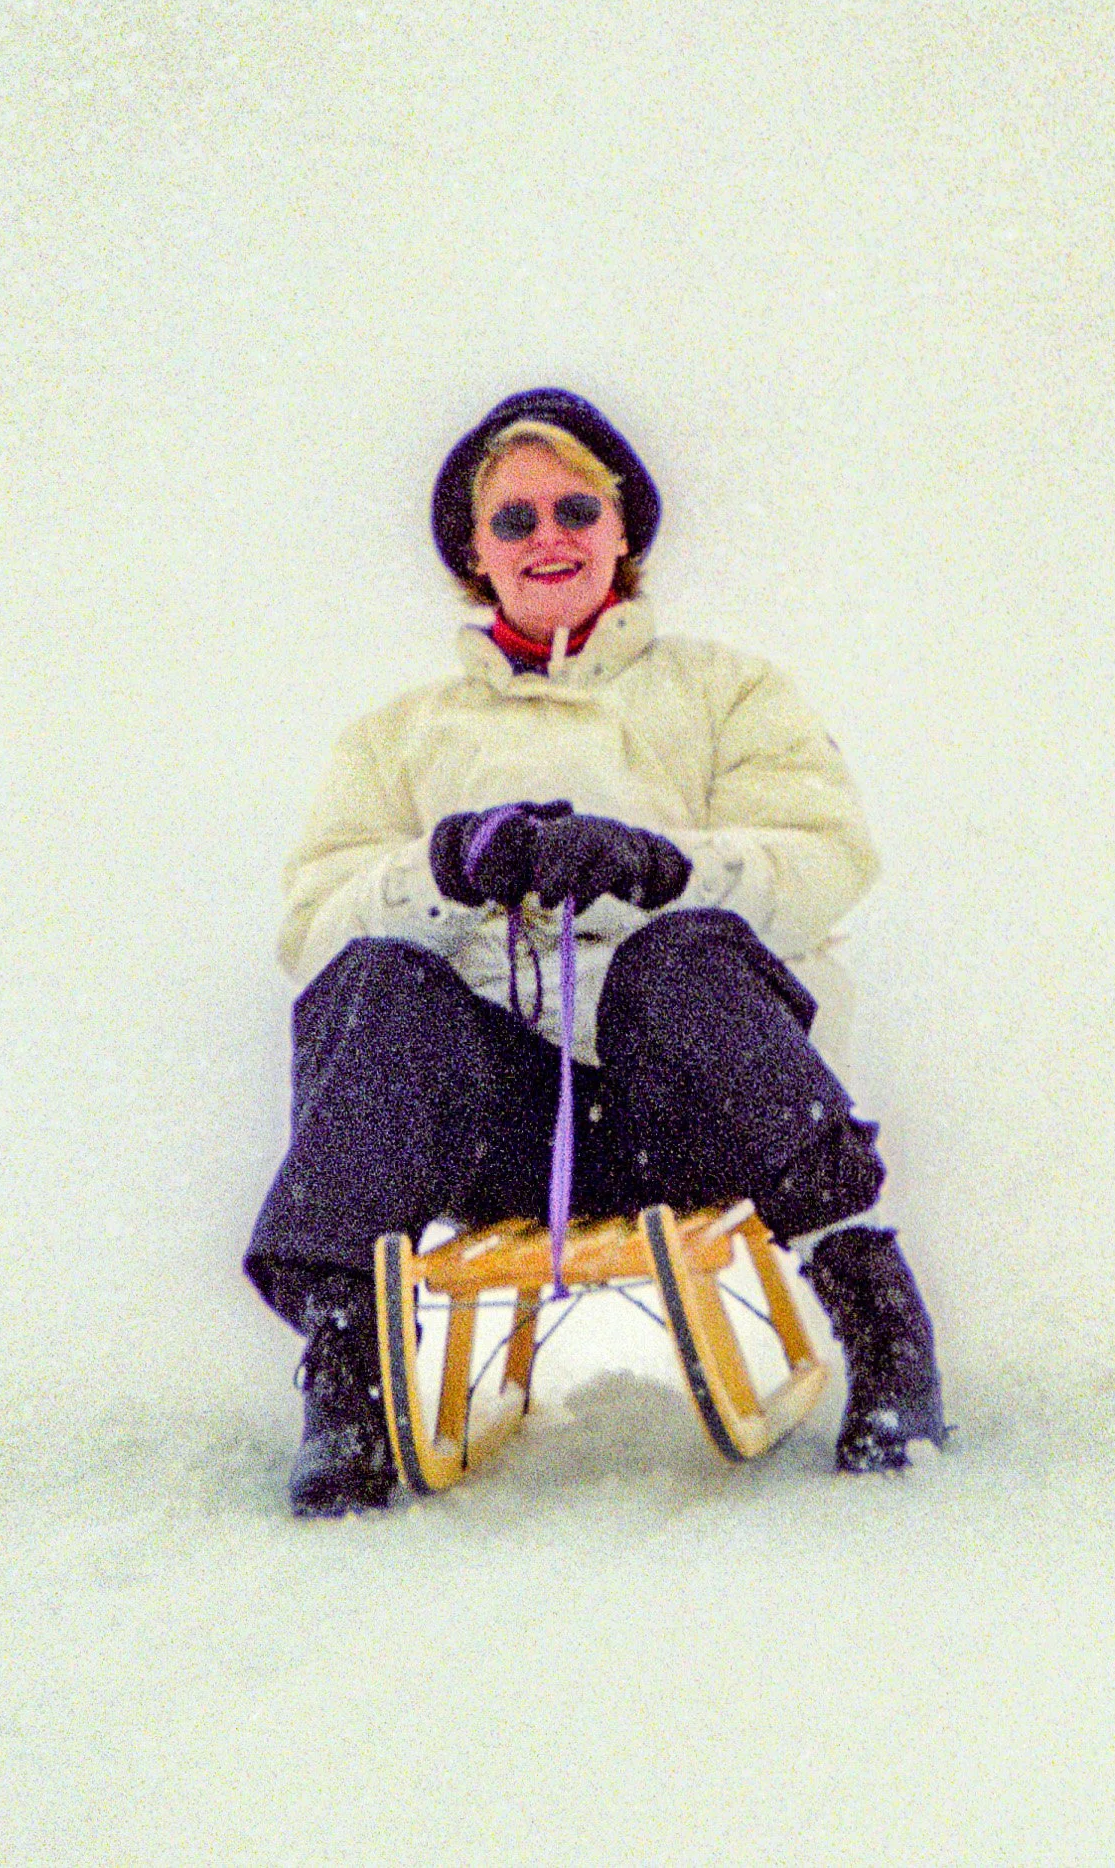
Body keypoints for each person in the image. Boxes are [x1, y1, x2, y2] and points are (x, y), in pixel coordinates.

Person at [245, 387, 947, 1515]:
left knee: (680, 961)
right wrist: (444, 866)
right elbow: (312, 930)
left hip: (696, 1108)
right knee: (375, 979)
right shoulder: (396, 737)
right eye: (512, 520)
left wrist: (662, 865)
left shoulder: (726, 691)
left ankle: (879, 1315)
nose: (549, 537)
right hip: (499, 1123)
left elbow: (826, 857)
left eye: (577, 506)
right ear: (474, 555)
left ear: (625, 529)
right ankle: (345, 1368)